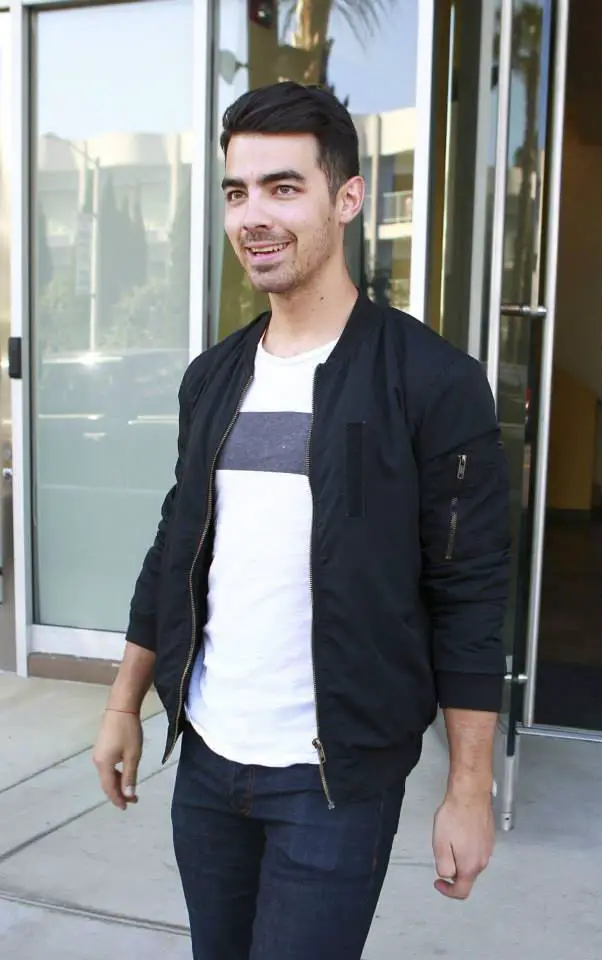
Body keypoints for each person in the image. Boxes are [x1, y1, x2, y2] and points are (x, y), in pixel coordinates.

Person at [93, 80, 511, 959]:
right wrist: (126, 702)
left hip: (334, 781)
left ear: (347, 198)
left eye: (283, 188)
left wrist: (470, 788)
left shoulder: (430, 381)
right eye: (238, 192)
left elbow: (471, 593)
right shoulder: (213, 378)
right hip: (208, 761)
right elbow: (175, 546)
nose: (254, 215)